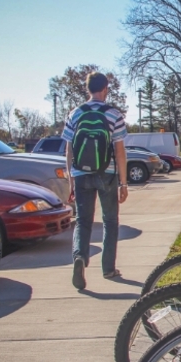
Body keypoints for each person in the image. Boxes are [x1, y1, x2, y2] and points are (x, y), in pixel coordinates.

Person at [62, 72, 128, 290]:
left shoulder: (75, 114)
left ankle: (80, 257)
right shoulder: (113, 115)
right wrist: (123, 182)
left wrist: (71, 179)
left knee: (83, 221)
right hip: (106, 174)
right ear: (105, 88)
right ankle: (108, 268)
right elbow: (119, 151)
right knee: (110, 221)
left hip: (81, 174)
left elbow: (69, 150)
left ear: (87, 89)